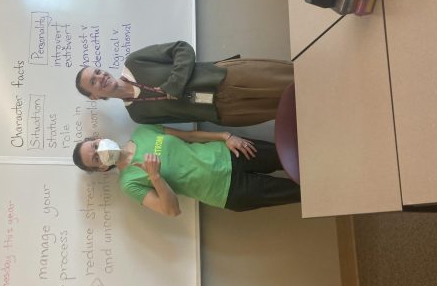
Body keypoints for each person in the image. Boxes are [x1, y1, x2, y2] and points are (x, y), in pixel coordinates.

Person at [72, 125, 300, 216]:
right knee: (299, 191)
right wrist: (155, 176)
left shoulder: (142, 131)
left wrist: (226, 136)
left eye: (94, 146)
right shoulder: (129, 183)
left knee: (297, 155)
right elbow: (171, 210)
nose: (99, 151)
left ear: (99, 139)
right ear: (101, 168)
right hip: (228, 192)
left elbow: (189, 135)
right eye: (95, 158)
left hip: (231, 153)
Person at [75, 41, 293, 126]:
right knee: (292, 109)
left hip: (225, 77)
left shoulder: (135, 62)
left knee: (294, 80)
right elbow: (183, 117)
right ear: (94, 96)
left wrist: (175, 84)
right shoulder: (137, 115)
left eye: (97, 71)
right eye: (93, 81)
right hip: (227, 112)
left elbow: (182, 49)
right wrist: (216, 117)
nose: (100, 77)